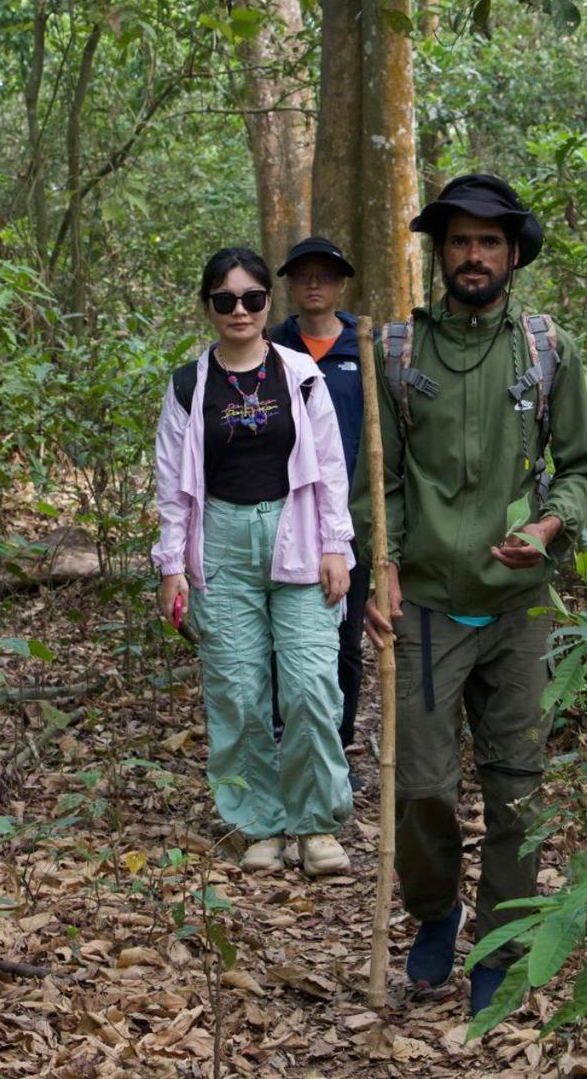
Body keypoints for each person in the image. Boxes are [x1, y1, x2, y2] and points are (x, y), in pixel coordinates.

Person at [352, 174, 587, 1015]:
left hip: (518, 607)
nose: (473, 255)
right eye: (459, 240)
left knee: (516, 786)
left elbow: (581, 472)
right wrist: (381, 565)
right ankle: (435, 911)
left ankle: (498, 938)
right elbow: (378, 484)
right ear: (440, 252)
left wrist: (548, 529)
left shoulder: (546, 351)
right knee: (422, 785)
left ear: (513, 256)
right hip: (424, 602)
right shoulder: (396, 351)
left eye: (489, 242)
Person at [153, 246, 355, 878]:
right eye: (224, 300)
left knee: (312, 688)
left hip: (296, 535)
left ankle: (316, 824)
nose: (239, 311)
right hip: (220, 544)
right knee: (237, 693)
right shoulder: (189, 384)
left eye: (252, 299)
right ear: (208, 306)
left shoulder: (299, 374)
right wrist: (170, 565)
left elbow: (329, 467)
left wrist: (335, 545)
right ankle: (259, 823)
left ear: (270, 302)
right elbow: (170, 480)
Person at [270, 237, 370, 788]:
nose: (314, 283)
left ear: (341, 283)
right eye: (302, 274)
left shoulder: (366, 346)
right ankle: (287, 743)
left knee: (344, 637)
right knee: (281, 639)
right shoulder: (269, 344)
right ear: (287, 283)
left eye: (324, 275)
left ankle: (338, 746)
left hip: (347, 519)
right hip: (282, 516)